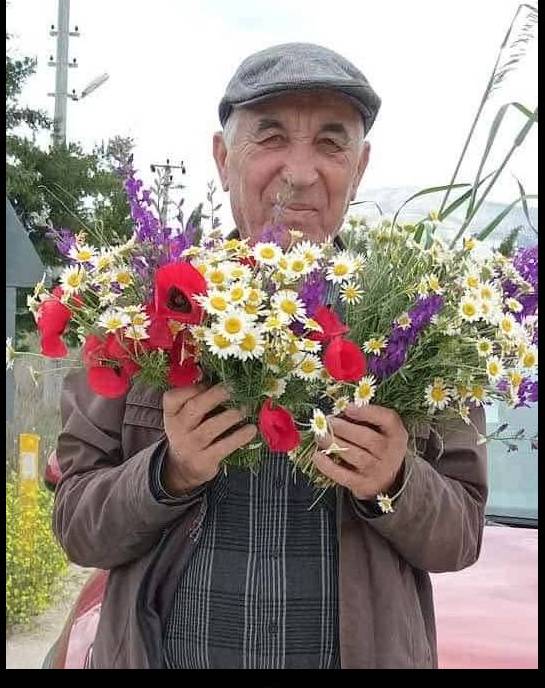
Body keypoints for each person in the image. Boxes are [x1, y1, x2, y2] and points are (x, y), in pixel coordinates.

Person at [51, 42, 487, 669]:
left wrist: (396, 480)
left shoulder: (416, 327)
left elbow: (461, 538)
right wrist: (167, 474)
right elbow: (76, 525)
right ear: (223, 158)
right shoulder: (142, 313)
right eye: (272, 137)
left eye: (331, 143)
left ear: (360, 167)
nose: (301, 173)